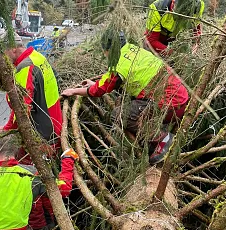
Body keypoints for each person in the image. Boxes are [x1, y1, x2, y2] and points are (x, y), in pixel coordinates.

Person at [61, 29, 189, 164]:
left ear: (108, 49)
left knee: (119, 115)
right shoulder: (132, 49)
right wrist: (94, 84)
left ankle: (162, 139)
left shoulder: (119, 65)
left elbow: (98, 91)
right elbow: (111, 82)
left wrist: (74, 91)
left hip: (170, 106)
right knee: (123, 100)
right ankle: (153, 138)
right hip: (180, 98)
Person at [0, 33, 63, 230]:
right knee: (45, 180)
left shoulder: (24, 68)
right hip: (52, 128)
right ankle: (54, 224)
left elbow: (22, 108)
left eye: (3, 52)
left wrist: (9, 130)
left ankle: (41, 227)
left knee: (27, 179)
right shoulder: (37, 57)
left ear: (13, 49)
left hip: (41, 135)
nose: (1, 58)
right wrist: (8, 125)